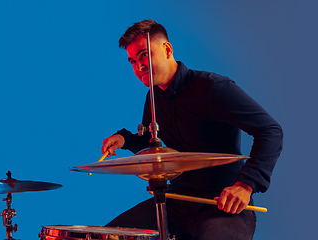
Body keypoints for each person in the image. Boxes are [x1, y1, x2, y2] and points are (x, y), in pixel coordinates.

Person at [101, 20, 283, 240]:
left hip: (221, 203)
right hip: (177, 200)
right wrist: (125, 139)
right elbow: (154, 146)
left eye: (144, 55)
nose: (138, 67)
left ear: (167, 49)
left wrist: (245, 185)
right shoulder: (154, 97)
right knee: (108, 236)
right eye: (132, 61)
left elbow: (270, 130)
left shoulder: (213, 87)